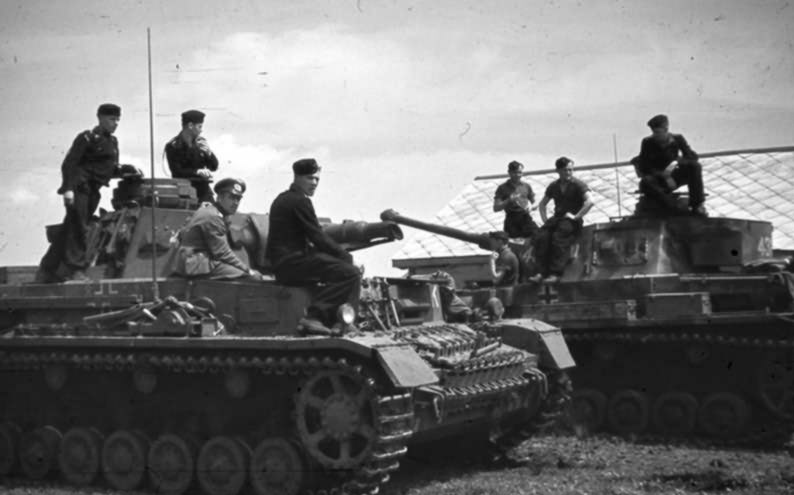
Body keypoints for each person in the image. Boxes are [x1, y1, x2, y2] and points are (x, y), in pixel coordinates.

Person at [35, 103, 142, 283]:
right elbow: (69, 164)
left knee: (70, 228)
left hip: (93, 190)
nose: (115, 123)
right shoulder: (87, 138)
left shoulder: (112, 142)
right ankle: (75, 270)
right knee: (78, 228)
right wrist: (68, 189)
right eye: (111, 119)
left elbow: (108, 169)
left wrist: (126, 170)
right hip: (79, 188)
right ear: (100, 118)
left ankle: (48, 268)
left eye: (117, 120)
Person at [266, 158, 361, 332]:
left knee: (343, 270)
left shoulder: (285, 198)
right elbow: (317, 235)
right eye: (310, 178)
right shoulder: (299, 201)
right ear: (297, 177)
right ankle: (314, 317)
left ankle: (341, 321)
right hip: (291, 263)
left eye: (317, 179)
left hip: (287, 262)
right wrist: (345, 256)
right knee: (351, 273)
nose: (315, 183)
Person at [172, 178, 265, 280]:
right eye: (232, 197)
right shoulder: (213, 217)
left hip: (194, 261)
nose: (236, 203)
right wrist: (248, 270)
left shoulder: (211, 211)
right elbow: (223, 253)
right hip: (196, 265)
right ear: (220, 197)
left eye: (238, 199)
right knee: (250, 277)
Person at [532, 157, 593, 283]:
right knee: (541, 237)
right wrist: (545, 220)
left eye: (571, 170)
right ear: (558, 171)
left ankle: (555, 273)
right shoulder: (554, 186)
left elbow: (590, 201)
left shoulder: (578, 184)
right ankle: (541, 273)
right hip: (557, 218)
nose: (569, 173)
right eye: (565, 170)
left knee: (559, 238)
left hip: (571, 221)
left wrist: (577, 216)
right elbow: (542, 204)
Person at [630, 114, 707, 216]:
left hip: (674, 175)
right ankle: (670, 205)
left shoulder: (677, 139)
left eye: (658, 132)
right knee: (647, 183)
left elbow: (692, 157)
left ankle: (697, 205)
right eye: (654, 132)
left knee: (695, 167)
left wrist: (676, 163)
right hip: (658, 179)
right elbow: (644, 165)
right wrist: (659, 174)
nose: (656, 135)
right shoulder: (647, 142)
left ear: (666, 129)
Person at [165, 109, 219, 203]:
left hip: (203, 191)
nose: (201, 130)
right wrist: (197, 172)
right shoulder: (173, 146)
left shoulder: (200, 143)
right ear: (190, 126)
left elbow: (214, 167)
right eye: (199, 127)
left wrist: (209, 153)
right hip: (184, 192)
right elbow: (177, 171)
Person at [493, 160, 538, 238]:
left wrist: (531, 207)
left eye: (520, 172)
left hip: (525, 217)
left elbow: (535, 203)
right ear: (509, 172)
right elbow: (496, 208)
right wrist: (508, 200)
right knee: (513, 245)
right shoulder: (502, 188)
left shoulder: (526, 186)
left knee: (539, 236)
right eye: (515, 172)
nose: (518, 175)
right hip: (511, 219)